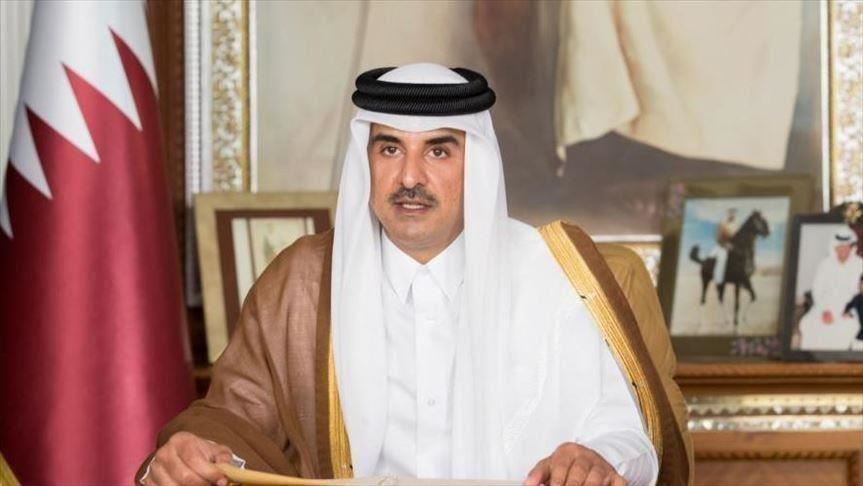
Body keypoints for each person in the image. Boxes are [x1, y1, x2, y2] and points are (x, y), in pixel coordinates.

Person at [137, 64, 670, 486]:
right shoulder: (303, 281)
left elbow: (627, 433)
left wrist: (596, 459)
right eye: (390, 148)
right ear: (365, 160)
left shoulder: (557, 273)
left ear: (477, 163)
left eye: (438, 150)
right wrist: (196, 451)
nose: (410, 177)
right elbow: (233, 419)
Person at [799, 228, 863, 351]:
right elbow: (817, 290)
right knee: (808, 324)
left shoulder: (860, 264)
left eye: (846, 247)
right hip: (825, 305)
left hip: (853, 308)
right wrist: (825, 310)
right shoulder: (825, 264)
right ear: (834, 247)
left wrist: (851, 311)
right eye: (840, 247)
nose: (843, 250)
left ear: (851, 248)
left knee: (847, 327)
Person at [711, 208, 737, 286]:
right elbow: (717, 237)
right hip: (722, 246)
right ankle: (719, 281)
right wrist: (725, 244)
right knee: (722, 259)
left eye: (734, 214)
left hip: (734, 247)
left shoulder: (736, 226)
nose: (732, 215)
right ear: (728, 214)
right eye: (731, 213)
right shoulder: (722, 224)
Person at [842, 274, 863, 350]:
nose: (860, 286)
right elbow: (848, 305)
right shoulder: (857, 298)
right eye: (860, 284)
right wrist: (846, 313)